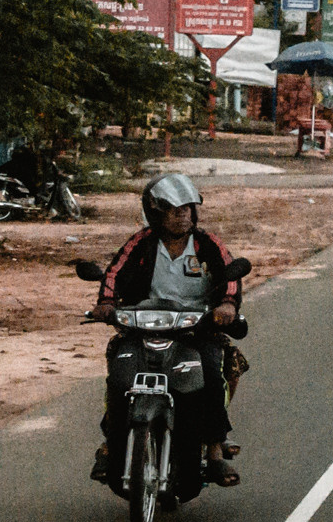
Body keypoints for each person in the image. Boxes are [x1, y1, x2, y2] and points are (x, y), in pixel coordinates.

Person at [88, 174, 245, 486]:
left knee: (213, 374)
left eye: (187, 208)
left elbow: (230, 276)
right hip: (143, 328)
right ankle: (110, 444)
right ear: (155, 213)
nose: (183, 215)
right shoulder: (141, 243)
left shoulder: (207, 244)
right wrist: (105, 303)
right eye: (174, 210)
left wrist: (227, 304)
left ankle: (214, 452)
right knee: (120, 374)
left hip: (196, 329)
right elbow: (114, 271)